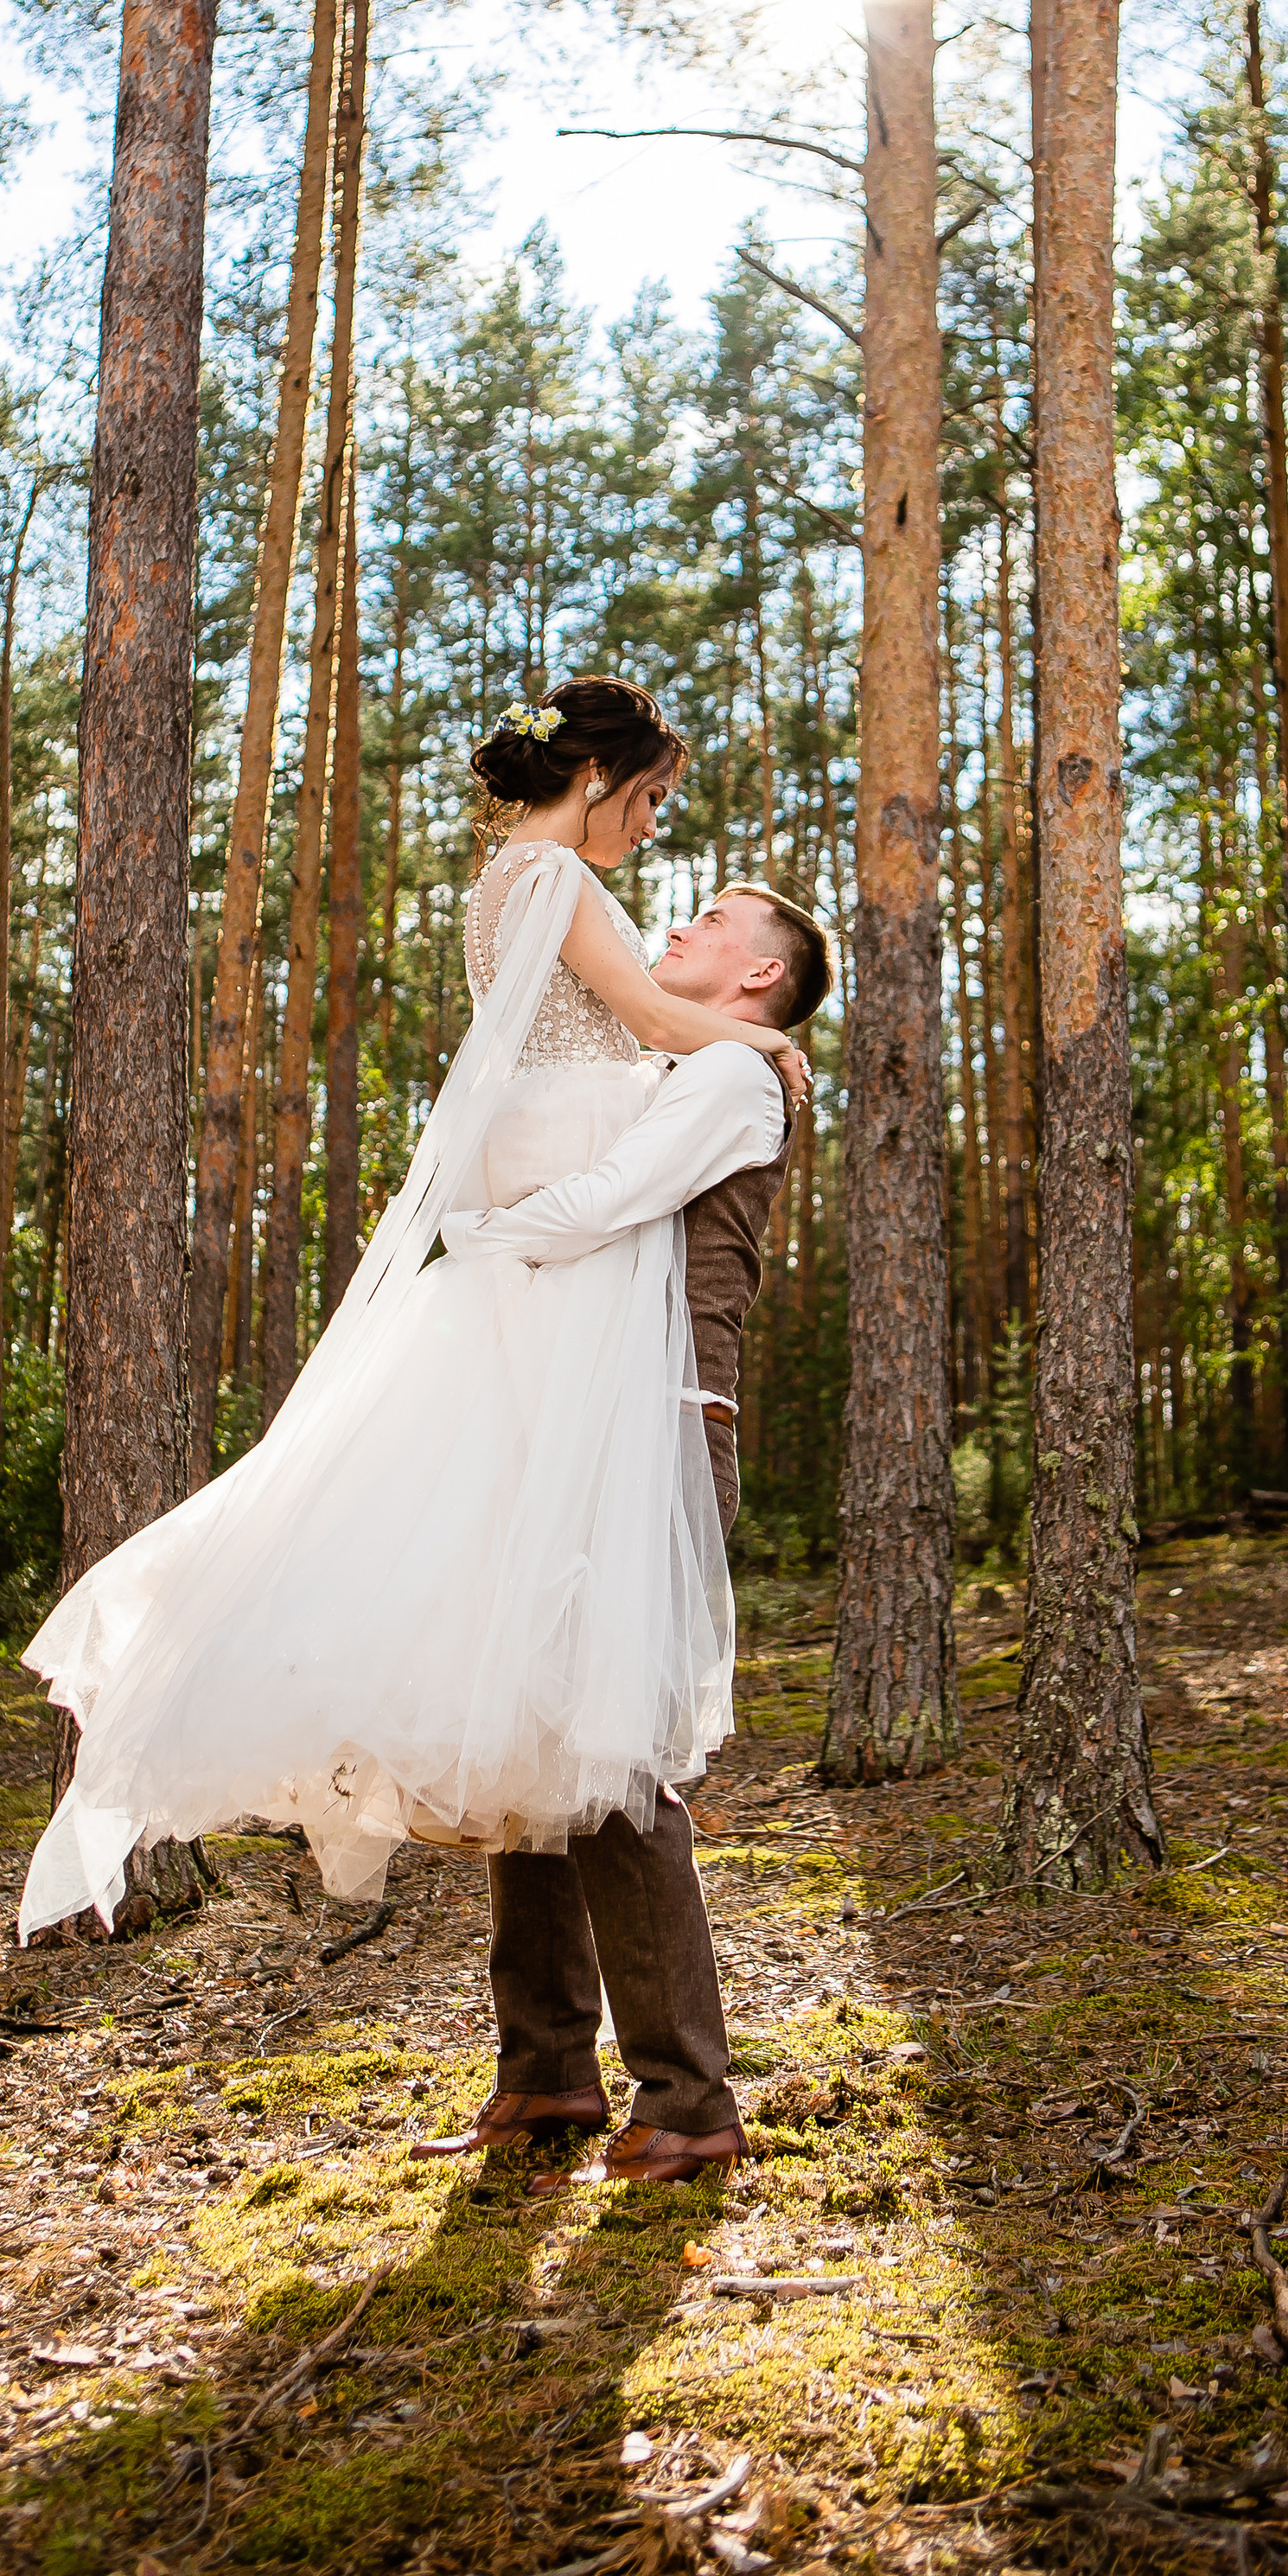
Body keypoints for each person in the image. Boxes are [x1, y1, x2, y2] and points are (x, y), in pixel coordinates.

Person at [16, 677, 808, 1946]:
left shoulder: (513, 885)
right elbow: (655, 1022)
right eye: (653, 798)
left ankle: (565, 2029)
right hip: (553, 1270)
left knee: (528, 1654)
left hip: (549, 1257)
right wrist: (766, 1045)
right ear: (596, 779)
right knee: (546, 1653)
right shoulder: (557, 879)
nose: (654, 827)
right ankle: (569, 2029)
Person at [415, 883, 834, 2183]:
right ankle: (545, 2071)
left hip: (656, 1430)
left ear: (760, 977)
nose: (682, 925)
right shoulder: (666, 1065)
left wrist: (464, 1241)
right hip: (569, 1422)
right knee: (534, 1731)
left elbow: (604, 1202)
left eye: (715, 919)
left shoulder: (736, 1081)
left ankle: (689, 2098)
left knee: (615, 1749)